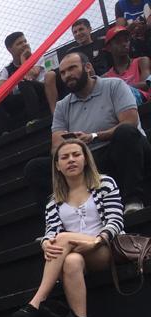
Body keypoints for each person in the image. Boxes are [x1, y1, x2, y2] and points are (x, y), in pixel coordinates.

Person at [25, 51, 151, 213]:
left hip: (123, 151)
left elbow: (130, 121)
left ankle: (133, 201)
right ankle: (60, 221)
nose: (67, 75)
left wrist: (94, 136)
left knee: (126, 132)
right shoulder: (62, 106)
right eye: (63, 73)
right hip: (87, 161)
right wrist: (73, 147)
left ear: (88, 67)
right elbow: (56, 145)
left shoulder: (114, 85)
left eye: (72, 69)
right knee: (34, 167)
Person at [17, 140, 124, 317]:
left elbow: (116, 219)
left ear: (85, 159)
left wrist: (98, 241)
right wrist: (45, 243)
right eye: (65, 157)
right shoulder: (54, 201)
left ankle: (38, 300)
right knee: (71, 261)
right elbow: (51, 231)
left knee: (63, 238)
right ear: (57, 165)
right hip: (76, 251)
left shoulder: (104, 183)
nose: (71, 160)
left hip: (105, 246)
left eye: (76, 155)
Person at [45, 19, 110, 115]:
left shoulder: (101, 43)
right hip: (74, 82)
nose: (78, 33)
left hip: (97, 79)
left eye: (81, 29)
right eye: (75, 32)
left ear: (90, 29)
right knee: (49, 75)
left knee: (87, 67)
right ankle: (55, 114)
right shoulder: (71, 52)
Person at [0, 32, 49, 130]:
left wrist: (24, 59)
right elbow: (0, 91)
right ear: (10, 49)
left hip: (40, 90)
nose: (25, 44)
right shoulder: (7, 69)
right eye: (19, 43)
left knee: (24, 84)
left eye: (25, 41)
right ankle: (6, 131)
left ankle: (35, 119)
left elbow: (32, 75)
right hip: (20, 97)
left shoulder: (37, 56)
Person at [103, 25, 151, 102]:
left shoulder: (142, 61)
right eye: (118, 41)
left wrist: (120, 88)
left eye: (126, 40)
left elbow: (147, 84)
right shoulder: (106, 77)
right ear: (109, 48)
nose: (124, 44)